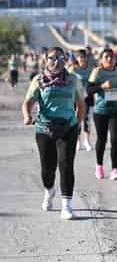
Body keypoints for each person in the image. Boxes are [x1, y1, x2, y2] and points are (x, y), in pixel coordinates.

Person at [22, 47, 84, 220]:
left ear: (66, 60)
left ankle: (67, 206)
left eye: (60, 58)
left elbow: (81, 104)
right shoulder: (39, 80)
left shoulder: (73, 80)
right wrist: (27, 116)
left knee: (66, 165)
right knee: (47, 169)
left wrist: (77, 125)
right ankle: (49, 191)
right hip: (44, 129)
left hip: (67, 128)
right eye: (52, 58)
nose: (56, 61)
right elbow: (27, 102)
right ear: (45, 60)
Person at [87, 48, 117, 180]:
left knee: (115, 139)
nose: (109, 59)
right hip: (101, 111)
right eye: (106, 57)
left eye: (112, 57)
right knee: (102, 140)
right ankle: (99, 166)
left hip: (116, 110)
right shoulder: (97, 71)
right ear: (101, 59)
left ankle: (115, 170)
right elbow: (89, 90)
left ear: (115, 58)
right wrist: (101, 86)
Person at [69, 49, 94, 151]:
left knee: (87, 119)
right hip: (76, 97)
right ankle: (78, 141)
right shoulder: (72, 69)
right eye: (80, 57)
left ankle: (87, 141)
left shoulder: (91, 69)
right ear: (76, 58)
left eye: (84, 57)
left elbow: (94, 81)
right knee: (77, 119)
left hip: (88, 97)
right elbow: (68, 82)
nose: (82, 59)